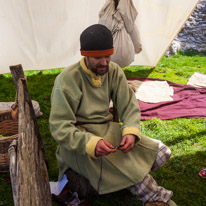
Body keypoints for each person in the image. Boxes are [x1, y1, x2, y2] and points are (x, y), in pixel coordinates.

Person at [49, 24, 177, 206]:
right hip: (80, 143)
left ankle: (121, 177)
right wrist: (90, 143)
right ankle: (157, 198)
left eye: (107, 56)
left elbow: (129, 106)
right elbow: (59, 127)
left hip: (108, 131)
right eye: (97, 57)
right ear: (84, 54)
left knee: (163, 152)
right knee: (130, 169)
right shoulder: (67, 80)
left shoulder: (114, 71)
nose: (104, 62)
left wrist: (131, 132)